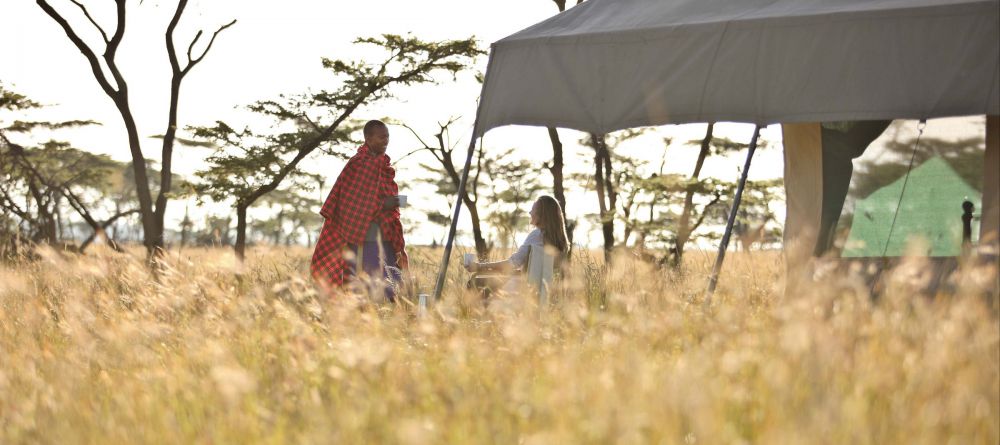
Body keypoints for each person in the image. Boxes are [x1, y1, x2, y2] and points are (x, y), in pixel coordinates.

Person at [310, 120, 408, 301]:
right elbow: (353, 203)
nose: (385, 141)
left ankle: (389, 320)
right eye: (381, 137)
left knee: (392, 284)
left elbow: (376, 198)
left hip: (385, 235)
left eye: (387, 137)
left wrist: (392, 202)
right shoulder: (360, 164)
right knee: (369, 285)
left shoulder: (383, 165)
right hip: (363, 236)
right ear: (368, 138)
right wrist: (385, 204)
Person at [464, 195, 569, 296]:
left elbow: (512, 263)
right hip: (543, 294)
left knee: (473, 283)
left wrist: (480, 266)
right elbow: (533, 273)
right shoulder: (561, 242)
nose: (530, 212)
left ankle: (480, 313)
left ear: (541, 214)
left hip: (522, 291)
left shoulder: (537, 235)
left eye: (533, 210)